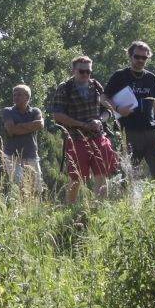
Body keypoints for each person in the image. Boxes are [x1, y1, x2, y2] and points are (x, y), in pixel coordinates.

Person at [49, 55, 120, 203]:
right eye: (82, 72)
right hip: (76, 140)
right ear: (74, 71)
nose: (86, 75)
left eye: (88, 72)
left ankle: (99, 210)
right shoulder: (65, 88)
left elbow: (108, 111)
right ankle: (70, 209)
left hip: (98, 137)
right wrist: (82, 125)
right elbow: (57, 116)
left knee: (102, 176)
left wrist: (100, 120)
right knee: (75, 180)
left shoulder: (96, 86)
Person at [105, 42, 155, 181]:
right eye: (137, 56)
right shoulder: (120, 76)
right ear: (130, 56)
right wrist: (117, 109)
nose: (140, 60)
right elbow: (103, 98)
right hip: (129, 131)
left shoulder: (150, 77)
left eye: (144, 58)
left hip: (151, 131)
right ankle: (130, 201)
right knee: (128, 175)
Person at [0, 85, 45, 194]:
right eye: (14, 94)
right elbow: (11, 130)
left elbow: (40, 125)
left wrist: (18, 126)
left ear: (27, 97)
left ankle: (33, 209)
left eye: (19, 94)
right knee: (19, 187)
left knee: (37, 188)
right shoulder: (8, 111)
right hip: (12, 156)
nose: (16, 97)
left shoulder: (35, 111)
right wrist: (30, 126)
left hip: (31, 154)